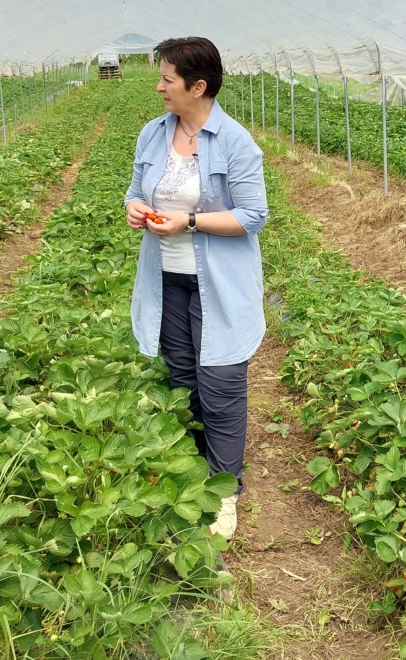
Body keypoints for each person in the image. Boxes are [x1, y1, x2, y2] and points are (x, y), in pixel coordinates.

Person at [125, 37, 268, 540]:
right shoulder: (152, 134)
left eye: (167, 78)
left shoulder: (233, 141)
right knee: (182, 376)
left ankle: (224, 489)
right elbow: (135, 189)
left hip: (219, 285)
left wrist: (188, 221)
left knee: (221, 383)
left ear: (198, 86)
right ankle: (191, 476)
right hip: (166, 278)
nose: (160, 87)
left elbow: (254, 215)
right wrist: (135, 209)